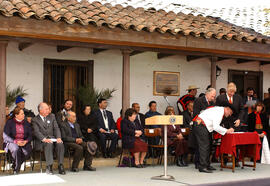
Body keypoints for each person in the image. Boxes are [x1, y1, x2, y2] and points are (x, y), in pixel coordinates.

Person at [193, 104, 235, 173]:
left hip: (203, 125)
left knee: (209, 145)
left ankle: (207, 164)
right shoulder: (219, 112)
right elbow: (216, 127)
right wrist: (226, 130)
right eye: (230, 113)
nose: (229, 115)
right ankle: (203, 166)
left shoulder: (219, 110)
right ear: (227, 109)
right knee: (204, 146)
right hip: (200, 124)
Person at [32, 102, 65, 175]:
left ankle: (60, 165)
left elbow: (56, 128)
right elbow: (36, 132)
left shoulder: (52, 116)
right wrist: (44, 139)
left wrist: (58, 137)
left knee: (60, 144)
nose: (48, 110)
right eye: (46, 109)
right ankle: (49, 167)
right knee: (48, 144)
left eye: (48, 109)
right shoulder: (35, 119)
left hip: (52, 138)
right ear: (41, 110)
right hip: (41, 141)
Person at [190, 88, 216, 169]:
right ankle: (198, 163)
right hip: (200, 126)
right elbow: (196, 114)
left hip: (208, 126)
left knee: (208, 145)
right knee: (200, 146)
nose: (213, 98)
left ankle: (207, 163)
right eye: (212, 96)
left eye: (214, 96)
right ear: (207, 94)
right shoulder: (199, 100)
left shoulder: (212, 102)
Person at [3, 107, 32, 174]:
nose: (24, 115)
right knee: (16, 149)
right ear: (16, 115)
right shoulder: (9, 122)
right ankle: (16, 169)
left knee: (27, 151)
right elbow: (5, 136)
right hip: (12, 142)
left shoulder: (26, 123)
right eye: (22, 114)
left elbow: (30, 135)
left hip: (23, 141)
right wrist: (16, 142)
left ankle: (15, 165)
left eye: (23, 114)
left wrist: (26, 141)